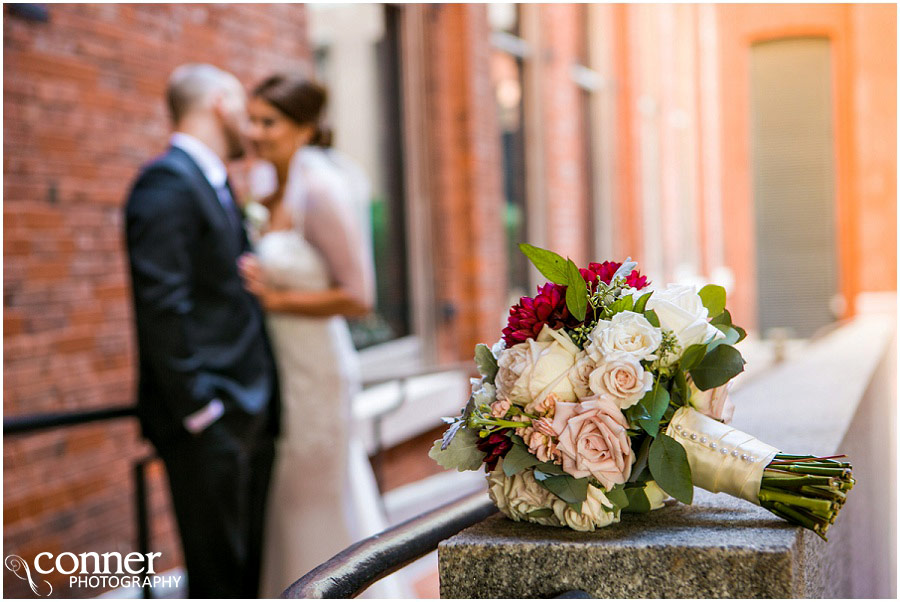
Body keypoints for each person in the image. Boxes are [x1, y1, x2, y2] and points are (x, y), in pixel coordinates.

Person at [123, 64, 280, 598]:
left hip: (246, 412)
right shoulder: (166, 182)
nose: (251, 126)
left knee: (245, 575)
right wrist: (201, 412)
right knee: (218, 580)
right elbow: (161, 307)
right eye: (243, 106)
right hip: (211, 422)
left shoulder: (214, 183)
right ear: (219, 102)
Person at [237, 75, 388, 598]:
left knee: (312, 492)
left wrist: (276, 300)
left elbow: (359, 296)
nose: (253, 132)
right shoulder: (265, 186)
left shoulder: (320, 192)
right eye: (251, 119)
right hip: (280, 369)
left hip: (316, 371)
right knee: (292, 494)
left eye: (268, 122)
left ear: (304, 129)